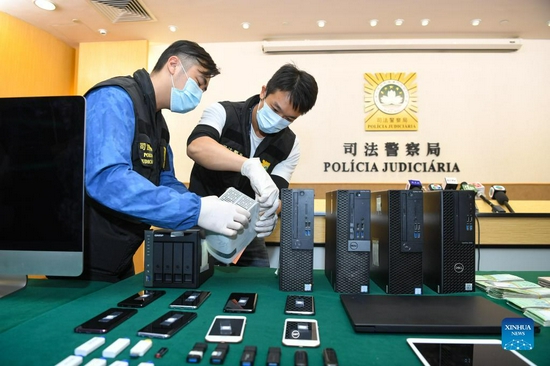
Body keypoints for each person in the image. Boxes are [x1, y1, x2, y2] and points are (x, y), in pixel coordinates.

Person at [83, 40, 251, 282]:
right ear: (174, 64)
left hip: (120, 256)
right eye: (198, 83)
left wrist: (204, 207)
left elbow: (165, 181)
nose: (198, 95)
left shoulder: (157, 123)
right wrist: (197, 211)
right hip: (86, 259)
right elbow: (108, 180)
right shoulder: (115, 98)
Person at [186, 63, 318, 267]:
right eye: (276, 109)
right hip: (201, 221)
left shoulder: (290, 145)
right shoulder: (224, 113)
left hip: (246, 232)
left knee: (258, 289)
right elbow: (197, 147)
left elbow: (277, 192)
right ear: (264, 91)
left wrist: (270, 213)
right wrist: (248, 166)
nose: (278, 120)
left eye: (288, 119)